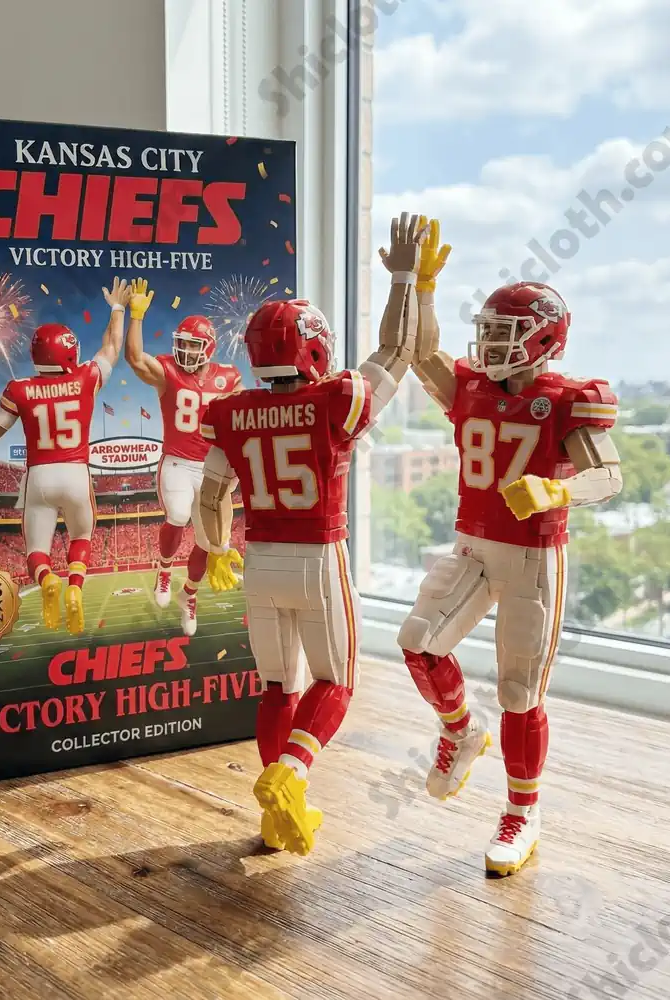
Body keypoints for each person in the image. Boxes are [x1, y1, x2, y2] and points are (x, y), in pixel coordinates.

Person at [199, 213, 445, 855]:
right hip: (317, 557)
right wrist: (401, 280)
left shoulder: (229, 411)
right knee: (334, 682)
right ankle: (292, 774)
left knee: (276, 685)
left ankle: (276, 811)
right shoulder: (333, 399)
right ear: (313, 347)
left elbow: (209, 499)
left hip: (258, 563)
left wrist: (218, 548)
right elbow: (397, 351)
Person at [400, 261, 623, 876]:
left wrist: (559, 493)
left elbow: (609, 475)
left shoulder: (566, 399)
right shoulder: (471, 386)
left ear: (546, 337)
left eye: (506, 333)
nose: (492, 345)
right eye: (489, 332)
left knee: (519, 695)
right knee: (418, 643)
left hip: (532, 556)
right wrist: (418, 288)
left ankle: (523, 811)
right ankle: (461, 731)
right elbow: (419, 351)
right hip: (472, 544)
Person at [0, 278, 129, 635]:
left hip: (38, 478)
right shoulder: (86, 377)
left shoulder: (19, 389)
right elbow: (112, 345)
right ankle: (73, 587)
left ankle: (47, 581)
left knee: (36, 548)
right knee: (82, 536)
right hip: (75, 472)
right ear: (69, 351)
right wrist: (117, 307)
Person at [124, 278, 241, 637]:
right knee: (176, 514)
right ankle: (164, 568)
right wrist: (137, 317)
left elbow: (242, 419)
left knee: (210, 543)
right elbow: (134, 358)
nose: (184, 351)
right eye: (182, 344)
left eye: (192, 345)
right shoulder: (169, 373)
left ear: (209, 348)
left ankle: (188, 594)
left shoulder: (229, 378)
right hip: (176, 461)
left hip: (211, 470)